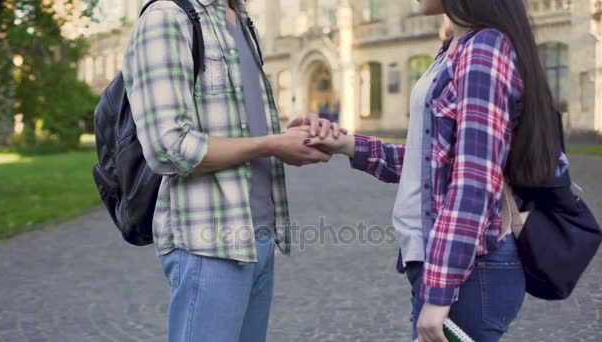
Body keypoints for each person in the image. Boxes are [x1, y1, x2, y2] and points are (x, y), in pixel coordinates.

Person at [292, 0, 562, 341]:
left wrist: (438, 296)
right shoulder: (455, 47)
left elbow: (474, 182)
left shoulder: (483, 50)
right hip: (444, 268)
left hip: (468, 273)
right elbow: (432, 163)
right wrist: (347, 144)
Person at [122, 0, 344, 341]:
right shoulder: (167, 17)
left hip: (260, 236)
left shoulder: (241, 19)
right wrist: (270, 145)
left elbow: (237, 126)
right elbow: (169, 147)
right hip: (207, 245)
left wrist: (290, 135)